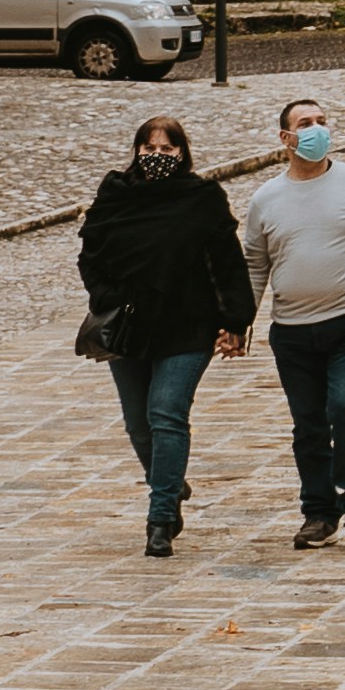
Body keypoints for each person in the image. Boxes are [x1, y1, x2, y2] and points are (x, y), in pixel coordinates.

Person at [235, 92, 345, 550]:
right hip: (291, 331)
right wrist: (240, 320)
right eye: (305, 122)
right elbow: (255, 264)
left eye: (321, 121)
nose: (316, 129)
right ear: (285, 137)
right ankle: (318, 512)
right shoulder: (266, 199)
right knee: (308, 424)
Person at [75, 112, 251, 557]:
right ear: (136, 151)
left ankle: (160, 519)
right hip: (128, 325)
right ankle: (169, 483)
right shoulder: (115, 196)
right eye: (149, 149)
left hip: (188, 326)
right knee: (138, 425)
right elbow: (90, 255)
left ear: (183, 153)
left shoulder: (202, 198)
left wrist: (236, 320)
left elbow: (227, 262)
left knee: (166, 412)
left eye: (167, 150)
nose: (157, 157)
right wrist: (108, 295)